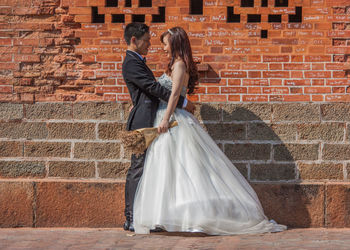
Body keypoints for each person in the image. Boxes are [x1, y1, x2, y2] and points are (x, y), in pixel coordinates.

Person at [133, 27, 287, 235]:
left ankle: (195, 217)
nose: (163, 48)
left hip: (174, 120)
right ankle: (167, 216)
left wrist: (165, 119)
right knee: (167, 169)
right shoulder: (174, 64)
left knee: (185, 170)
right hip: (166, 118)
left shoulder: (179, 65)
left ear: (176, 43)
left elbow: (174, 95)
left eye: (165, 43)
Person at [122, 23, 196, 232]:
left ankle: (147, 215)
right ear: (134, 40)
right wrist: (182, 102)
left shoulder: (140, 62)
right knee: (137, 169)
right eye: (147, 41)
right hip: (143, 121)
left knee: (149, 169)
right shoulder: (131, 63)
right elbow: (153, 88)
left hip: (154, 118)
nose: (151, 45)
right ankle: (131, 217)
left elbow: (148, 89)